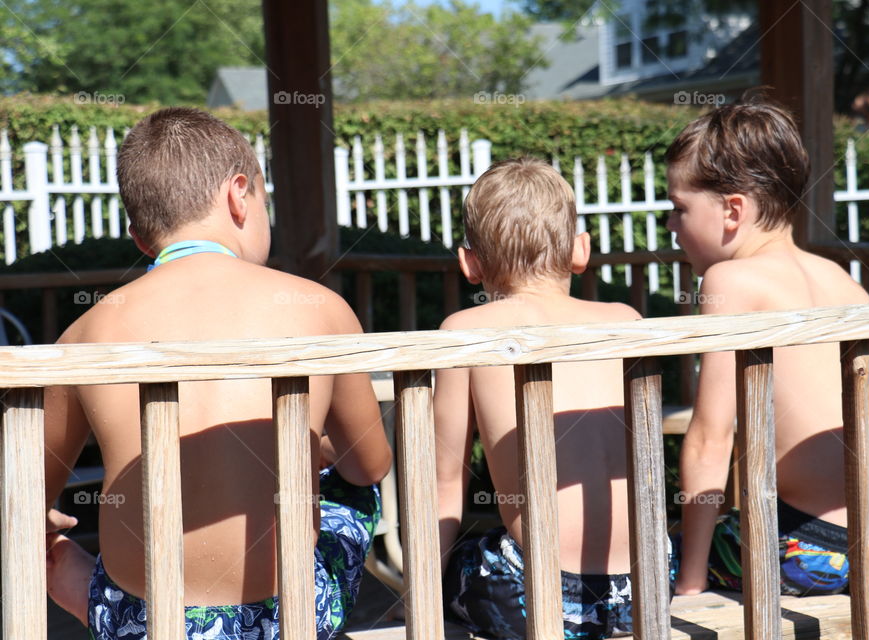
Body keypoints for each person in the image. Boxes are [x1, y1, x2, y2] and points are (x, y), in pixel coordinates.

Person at [43, 107, 392, 639]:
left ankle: (77, 578)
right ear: (238, 196)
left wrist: (46, 524)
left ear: (140, 237)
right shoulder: (318, 308)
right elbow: (368, 465)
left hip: (146, 621)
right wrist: (313, 444)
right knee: (350, 493)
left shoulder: (88, 329)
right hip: (286, 616)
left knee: (49, 539)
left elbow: (30, 487)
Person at [666, 101, 869, 597]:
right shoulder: (840, 278)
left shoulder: (730, 281)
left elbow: (709, 441)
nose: (672, 227)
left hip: (813, 550)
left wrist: (690, 583)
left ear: (733, 210)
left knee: (641, 557)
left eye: (679, 209)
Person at [434, 158, 643, 640]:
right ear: (580, 250)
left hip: (538, 593)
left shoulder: (463, 332)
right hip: (644, 583)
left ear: (469, 263)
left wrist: (422, 594)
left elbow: (443, 482)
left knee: (469, 558)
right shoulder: (627, 321)